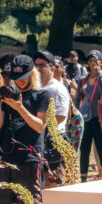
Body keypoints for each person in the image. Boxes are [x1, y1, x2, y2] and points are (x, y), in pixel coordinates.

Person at [0, 55, 49, 204]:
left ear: (33, 74)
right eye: (17, 79)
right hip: (5, 157)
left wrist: (19, 107)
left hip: (28, 159)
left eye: (24, 77)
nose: (21, 82)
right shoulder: (9, 94)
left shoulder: (42, 95)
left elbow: (40, 126)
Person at [77, 50, 102, 181]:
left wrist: (98, 76)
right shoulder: (84, 78)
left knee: (101, 148)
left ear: (100, 61)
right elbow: (79, 97)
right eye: (90, 60)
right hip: (86, 118)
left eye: (95, 60)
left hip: (100, 118)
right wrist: (76, 114)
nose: (92, 63)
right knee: (84, 149)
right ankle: (82, 178)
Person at [34, 51, 70, 185]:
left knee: (52, 185)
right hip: (41, 140)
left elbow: (60, 116)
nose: (38, 68)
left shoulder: (56, 89)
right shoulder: (38, 87)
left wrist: (36, 125)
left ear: (52, 68)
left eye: (42, 65)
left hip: (53, 141)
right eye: (36, 65)